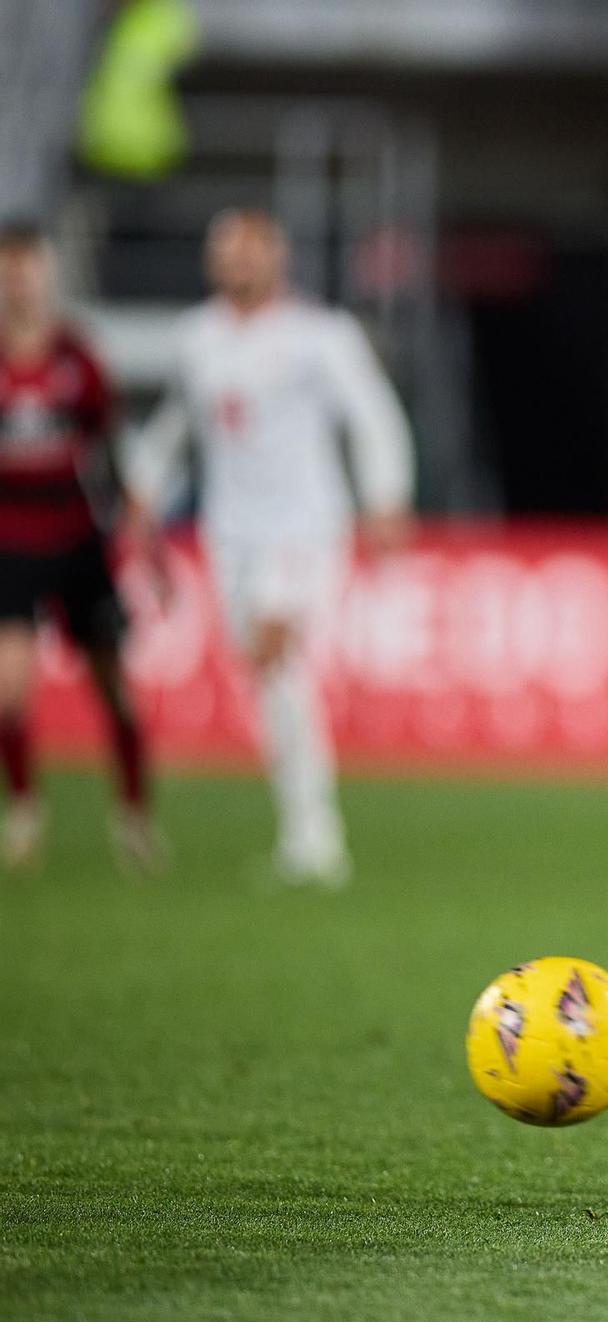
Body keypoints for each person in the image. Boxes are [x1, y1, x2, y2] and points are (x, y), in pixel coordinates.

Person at [127, 209, 414, 887]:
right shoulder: (197, 336)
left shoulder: (320, 335)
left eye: (250, 250)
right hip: (232, 531)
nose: (237, 262)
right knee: (265, 671)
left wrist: (386, 496)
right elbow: (178, 422)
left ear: (276, 258)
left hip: (306, 526)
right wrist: (143, 490)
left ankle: (316, 838)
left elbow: (371, 413)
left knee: (274, 648)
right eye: (225, 250)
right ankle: (304, 831)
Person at [0, 220, 158, 871]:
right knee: (7, 693)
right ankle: (26, 810)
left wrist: (138, 523)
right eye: (8, 265)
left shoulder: (78, 359)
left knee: (113, 689)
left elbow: (110, 447)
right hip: (9, 542)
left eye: (28, 263)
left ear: (48, 272)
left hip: (77, 540)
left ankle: (134, 815)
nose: (18, 277)